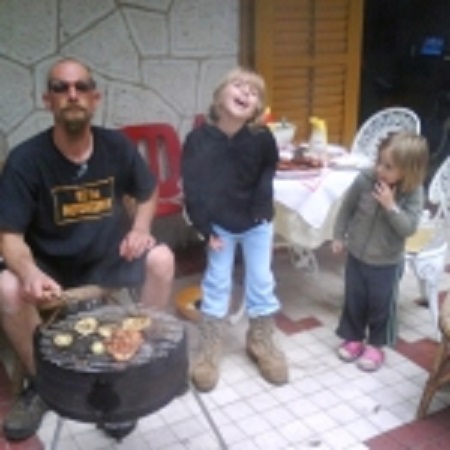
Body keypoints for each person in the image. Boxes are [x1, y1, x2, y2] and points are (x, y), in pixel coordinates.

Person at [0, 58, 174, 441]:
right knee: (6, 287)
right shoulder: (26, 160)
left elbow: (147, 192)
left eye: (81, 87)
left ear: (95, 98)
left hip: (109, 256)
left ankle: (130, 363)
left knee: (162, 259)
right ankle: (42, 384)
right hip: (50, 265)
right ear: (47, 100)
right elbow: (8, 235)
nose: (72, 94)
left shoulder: (116, 146)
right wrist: (29, 272)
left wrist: (141, 229)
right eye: (60, 88)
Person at [181, 67, 288, 392]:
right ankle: (209, 347)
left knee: (261, 279)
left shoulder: (262, 138)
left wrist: (260, 212)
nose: (246, 93)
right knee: (216, 281)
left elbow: (267, 173)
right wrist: (204, 228)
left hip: (256, 221)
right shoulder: (198, 140)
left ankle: (260, 340)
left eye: (253, 93)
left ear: (257, 108)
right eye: (239, 86)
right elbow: (194, 187)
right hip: (219, 225)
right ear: (219, 96)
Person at [331, 131, 429, 372]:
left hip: (386, 262)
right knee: (354, 299)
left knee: (381, 305)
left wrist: (391, 206)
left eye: (388, 167)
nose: (380, 170)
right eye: (379, 162)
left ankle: (376, 345)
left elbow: (408, 228)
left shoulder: (413, 192)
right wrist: (339, 235)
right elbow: (346, 208)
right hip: (357, 254)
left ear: (408, 170)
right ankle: (353, 338)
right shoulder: (365, 179)